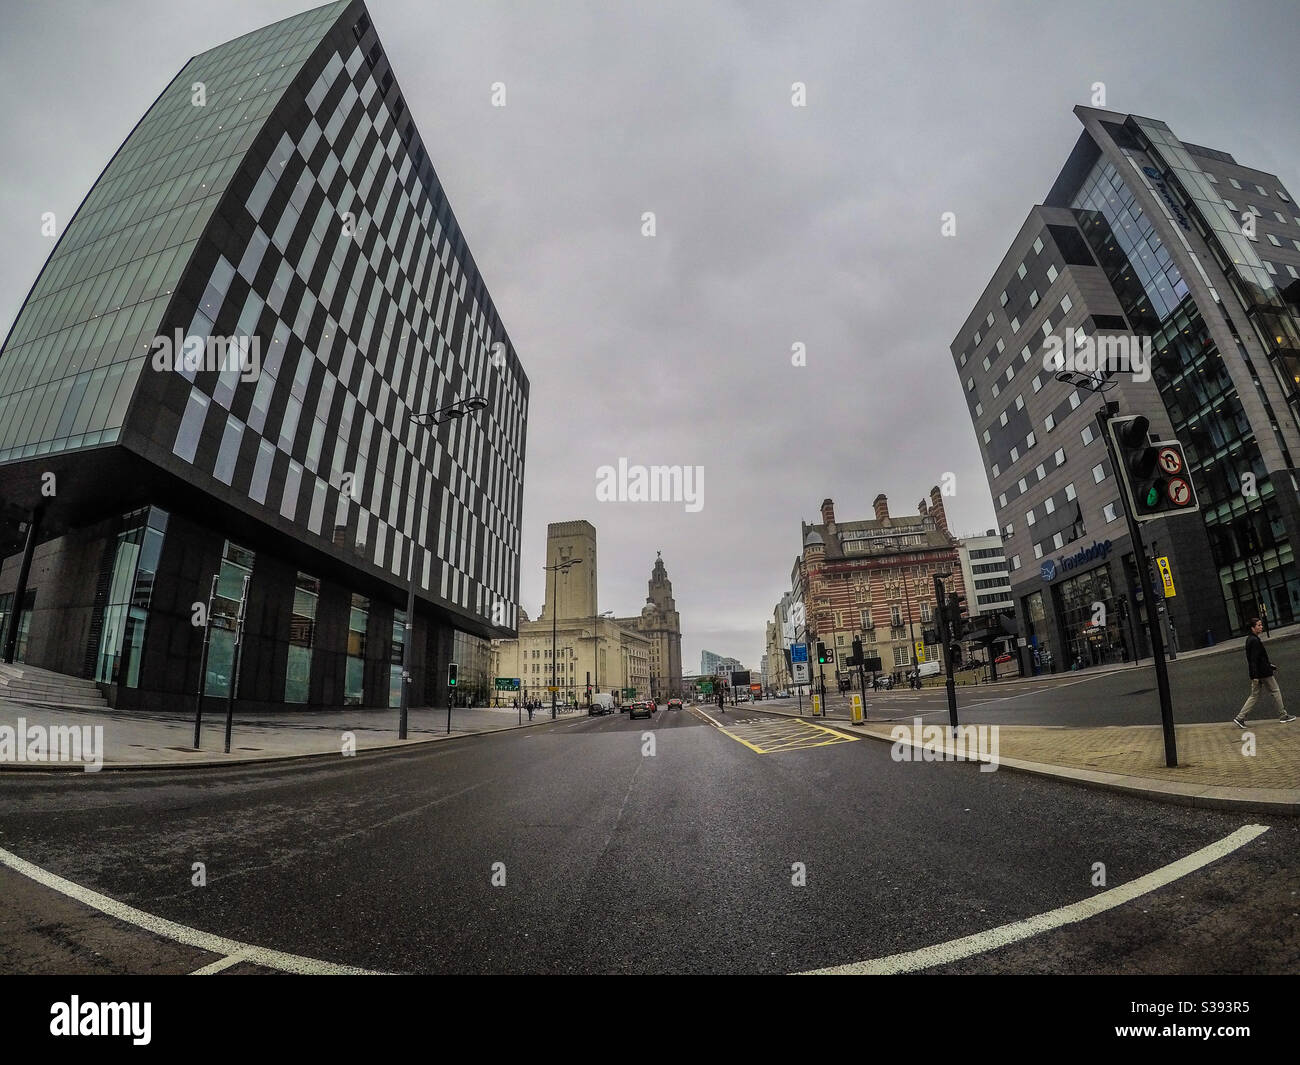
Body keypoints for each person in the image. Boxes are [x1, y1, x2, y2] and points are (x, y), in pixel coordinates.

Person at [1234, 617, 1296, 726]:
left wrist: (1268, 666)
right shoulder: (1254, 641)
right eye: (1258, 625)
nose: (1261, 627)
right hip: (1263, 673)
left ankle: (1240, 717)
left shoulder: (1251, 639)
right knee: (1275, 691)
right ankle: (1283, 715)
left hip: (1259, 672)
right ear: (1253, 628)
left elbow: (1258, 659)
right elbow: (1253, 660)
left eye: (1261, 625)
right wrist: (1255, 676)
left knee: (1254, 696)